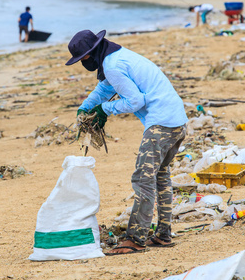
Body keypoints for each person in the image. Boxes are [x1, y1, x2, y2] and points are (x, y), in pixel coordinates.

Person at [66, 30, 188, 255]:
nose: (83, 63)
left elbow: (134, 101)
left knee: (143, 179)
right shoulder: (116, 57)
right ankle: (163, 235)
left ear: (91, 54)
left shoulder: (112, 66)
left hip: (161, 124)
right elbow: (105, 89)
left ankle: (135, 239)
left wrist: (104, 109)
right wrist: (86, 107)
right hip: (177, 122)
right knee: (160, 176)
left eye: (83, 59)